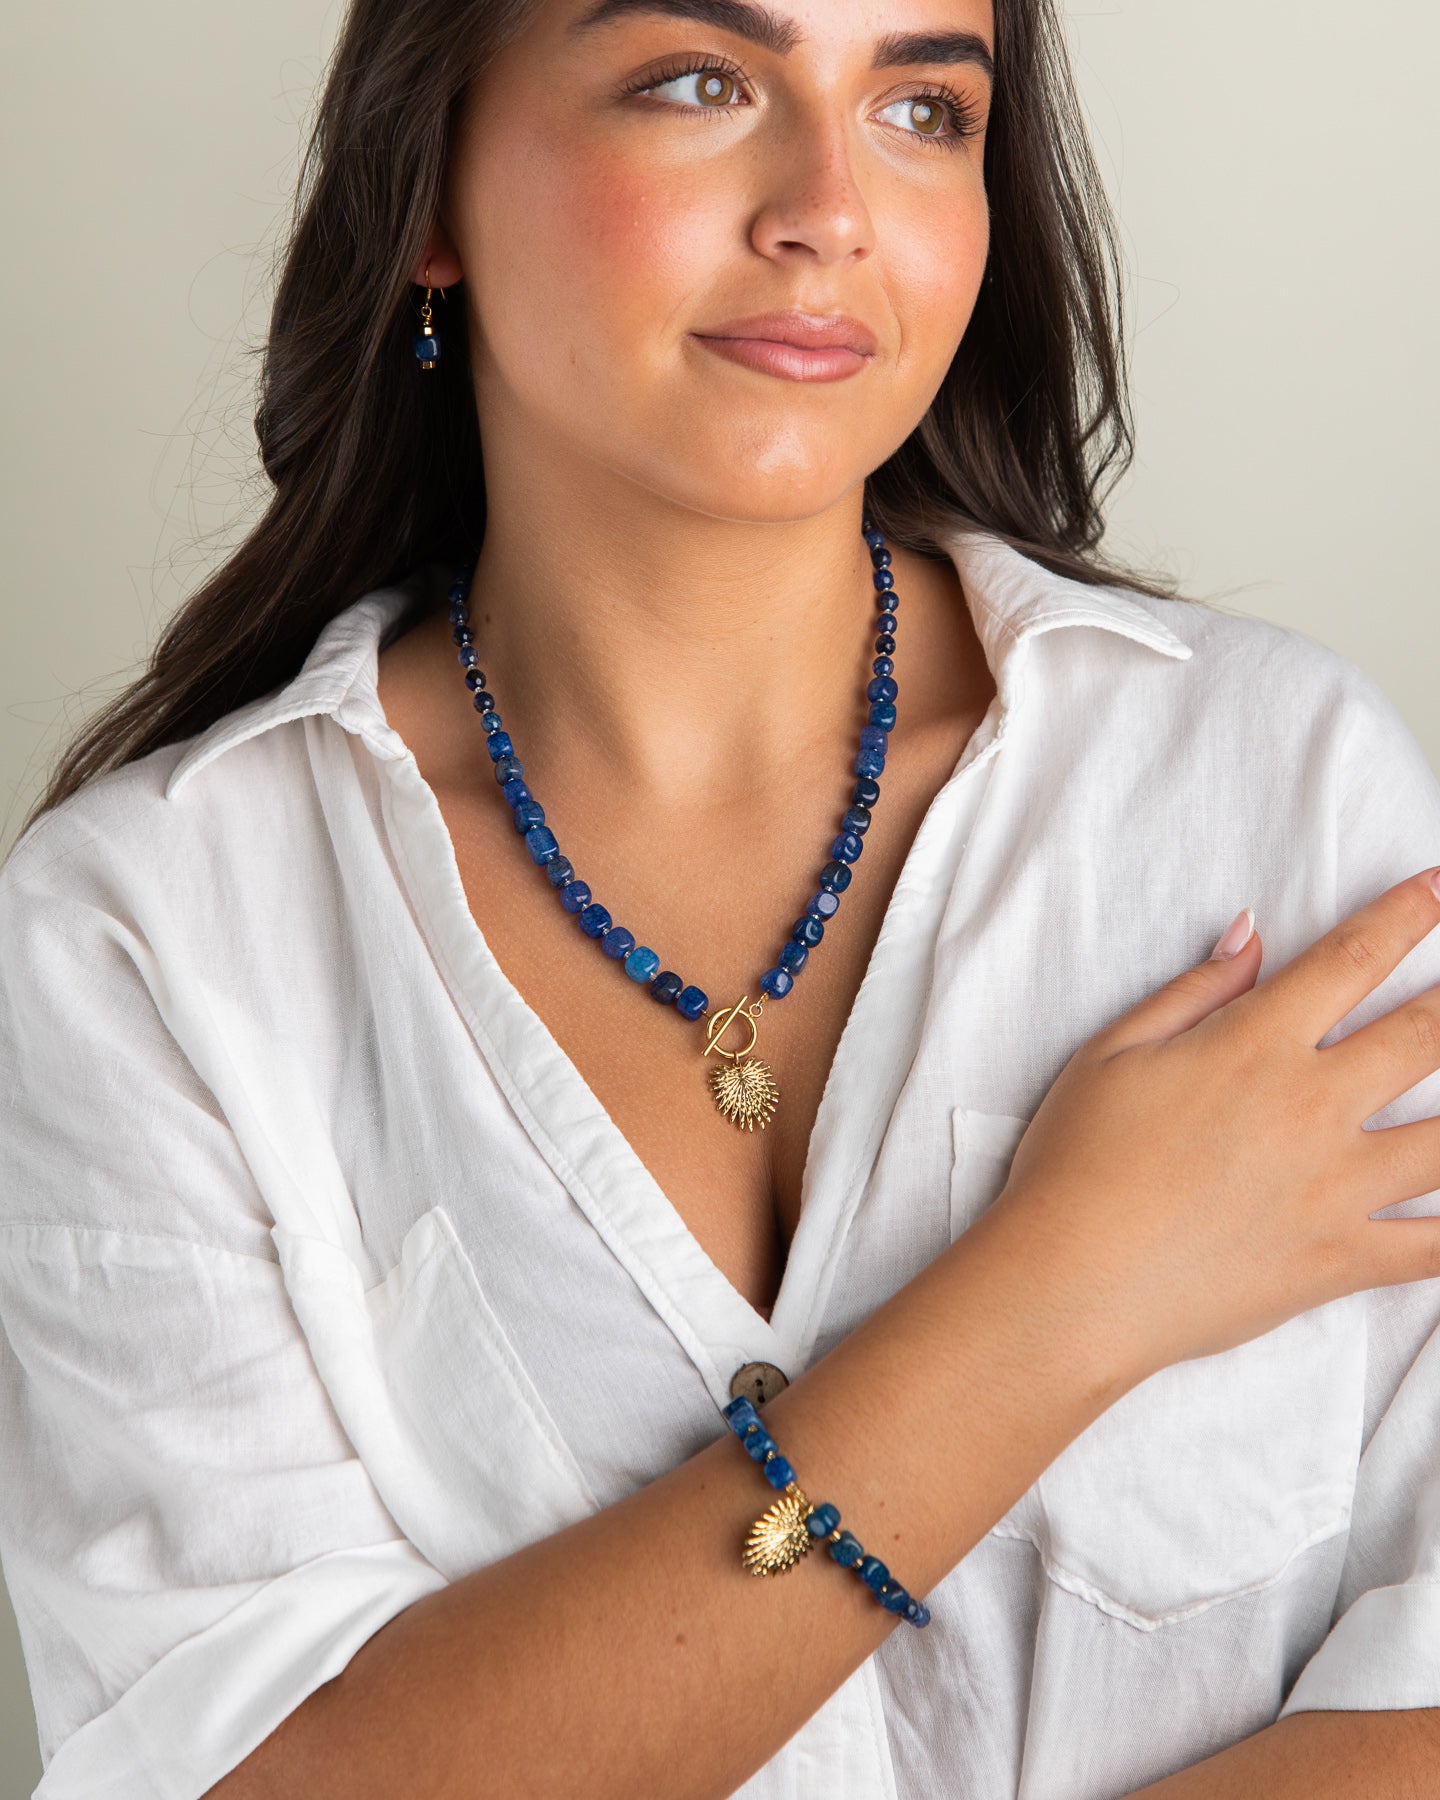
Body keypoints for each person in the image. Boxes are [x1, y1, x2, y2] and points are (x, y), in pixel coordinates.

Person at [4, 0, 1440, 1795]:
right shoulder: (145, 944)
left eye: (923, 107)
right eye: (699, 83)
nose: (829, 208)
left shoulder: (1275, 799)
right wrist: (1068, 1293)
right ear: (430, 189)